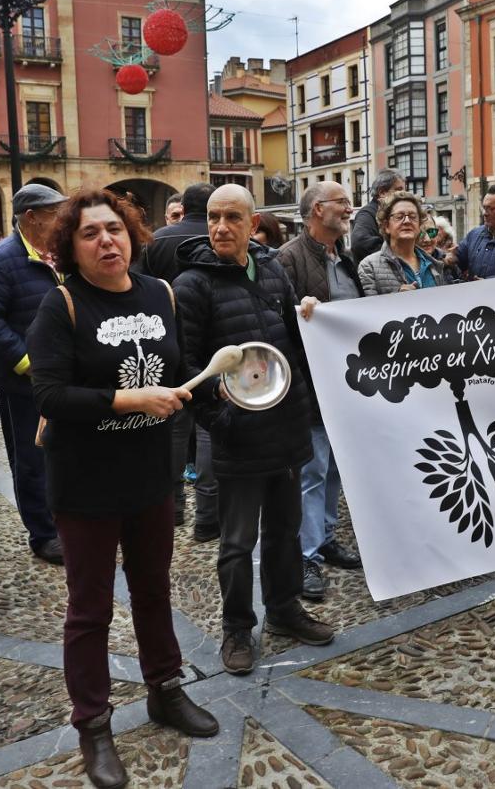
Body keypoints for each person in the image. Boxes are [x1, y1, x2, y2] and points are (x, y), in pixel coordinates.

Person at [28, 188, 217, 788]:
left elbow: (178, 366)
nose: (106, 240)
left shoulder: (159, 294)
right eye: (90, 233)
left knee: (154, 591)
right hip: (84, 481)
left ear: (132, 235)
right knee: (89, 611)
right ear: (71, 247)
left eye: (113, 229)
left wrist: (220, 380)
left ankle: (165, 690)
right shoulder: (61, 306)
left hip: (148, 473)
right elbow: (49, 394)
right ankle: (94, 726)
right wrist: (130, 399)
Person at [174, 184, 336, 675]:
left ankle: (285, 609)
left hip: (285, 429)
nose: (220, 227)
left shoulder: (270, 269)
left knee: (285, 531)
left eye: (232, 218)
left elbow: (293, 334)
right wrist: (220, 421)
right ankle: (237, 628)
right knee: (238, 542)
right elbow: (187, 366)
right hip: (238, 436)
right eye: (214, 218)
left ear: (252, 223)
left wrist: (309, 311)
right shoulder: (192, 285)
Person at [277, 181, 364, 602]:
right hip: (310, 385)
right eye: (341, 203)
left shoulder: (344, 259)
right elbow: (277, 318)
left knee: (333, 468)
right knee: (312, 471)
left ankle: (325, 537)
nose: (349, 209)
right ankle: (305, 555)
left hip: (345, 383)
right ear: (316, 211)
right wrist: (302, 314)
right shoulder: (289, 259)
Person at [0, 183, 67, 564]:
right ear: (31, 218)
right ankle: (43, 534)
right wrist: (28, 362)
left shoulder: (59, 254)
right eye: (54, 214)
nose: (62, 221)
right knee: (31, 460)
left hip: (63, 379)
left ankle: (65, 519)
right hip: (24, 383)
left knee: (62, 454)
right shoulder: (0, 259)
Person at [136, 182, 219, 533]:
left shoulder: (158, 239)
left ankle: (173, 509)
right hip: (213, 341)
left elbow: (138, 286)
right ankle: (207, 515)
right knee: (207, 430)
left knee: (174, 425)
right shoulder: (221, 235)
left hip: (166, 341)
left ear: (183, 208)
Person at [359, 191, 449, 296]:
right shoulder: (369, 267)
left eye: (413, 216)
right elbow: (368, 309)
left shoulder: (434, 265)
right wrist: (396, 299)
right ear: (386, 226)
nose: (407, 221)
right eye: (399, 216)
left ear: (419, 225)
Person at [350, 169, 405, 264]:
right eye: (399, 190)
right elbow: (360, 242)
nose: (404, 194)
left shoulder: (389, 212)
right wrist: (396, 255)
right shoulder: (367, 214)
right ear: (382, 192)